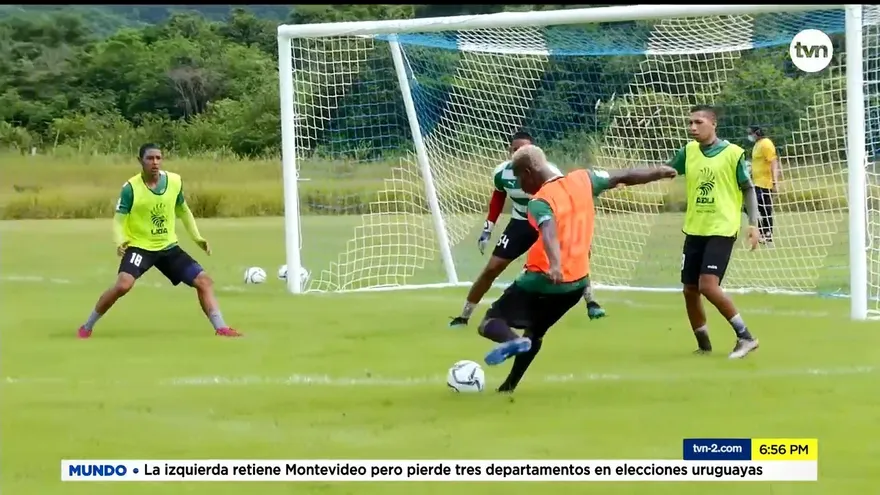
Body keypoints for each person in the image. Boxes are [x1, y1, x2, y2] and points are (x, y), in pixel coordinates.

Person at [478, 144, 677, 393]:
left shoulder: (539, 201)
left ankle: (514, 342)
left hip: (542, 278)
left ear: (529, 171)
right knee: (536, 333)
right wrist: (659, 171)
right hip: (576, 285)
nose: (519, 183)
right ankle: (509, 386)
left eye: (519, 176)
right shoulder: (585, 179)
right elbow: (624, 175)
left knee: (489, 322)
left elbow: (548, 229)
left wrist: (555, 264)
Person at [77, 144, 241, 338]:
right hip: (140, 248)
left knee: (203, 281)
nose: (155, 162)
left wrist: (197, 237)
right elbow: (119, 219)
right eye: (150, 158)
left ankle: (221, 328)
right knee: (123, 285)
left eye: (158, 158)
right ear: (140, 161)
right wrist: (120, 240)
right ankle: (87, 326)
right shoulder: (130, 189)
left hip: (168, 247)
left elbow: (183, 211)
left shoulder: (174, 181)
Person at [449, 131, 606, 328]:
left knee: (574, 258)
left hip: (547, 221)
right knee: (492, 268)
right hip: (521, 222)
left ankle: (591, 301)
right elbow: (498, 198)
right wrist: (488, 228)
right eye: (515, 149)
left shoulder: (551, 172)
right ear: (510, 151)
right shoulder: (501, 173)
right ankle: (464, 316)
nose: (518, 153)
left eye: (523, 149)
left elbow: (564, 196)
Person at [666, 105, 760, 359]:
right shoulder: (688, 152)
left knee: (708, 285)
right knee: (689, 289)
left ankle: (746, 337)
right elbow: (665, 170)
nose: (692, 128)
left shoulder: (733, 153)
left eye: (698, 122)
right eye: (690, 123)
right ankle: (704, 345)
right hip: (696, 228)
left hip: (722, 227)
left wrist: (753, 224)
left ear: (713, 124)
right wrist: (627, 179)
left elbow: (748, 189)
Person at [747, 125, 780, 246]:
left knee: (765, 209)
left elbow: (773, 162)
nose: (749, 135)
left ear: (757, 133)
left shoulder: (766, 143)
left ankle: (768, 234)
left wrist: (775, 181)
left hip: (765, 183)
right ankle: (762, 232)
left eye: (750, 133)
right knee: (754, 208)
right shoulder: (757, 145)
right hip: (756, 182)